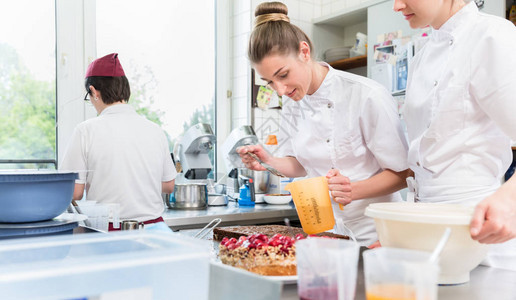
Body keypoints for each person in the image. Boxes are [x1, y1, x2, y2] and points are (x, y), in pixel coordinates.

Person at [238, 2, 410, 246]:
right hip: (325, 234)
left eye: (283, 75)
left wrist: (353, 189)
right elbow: (300, 165)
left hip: (376, 235)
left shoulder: (366, 95)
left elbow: (404, 174)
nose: (280, 90)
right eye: (269, 82)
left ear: (304, 52)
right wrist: (269, 161)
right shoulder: (292, 103)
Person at [393, 0, 516, 268]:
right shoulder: (420, 58)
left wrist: (511, 197)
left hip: (484, 231)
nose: (396, 5)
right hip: (428, 229)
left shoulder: (492, 36)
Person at [60, 53, 176, 230]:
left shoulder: (86, 131)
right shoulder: (155, 130)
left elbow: (74, 192)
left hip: (110, 231)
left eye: (89, 97)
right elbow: (169, 185)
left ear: (93, 91)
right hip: (155, 231)